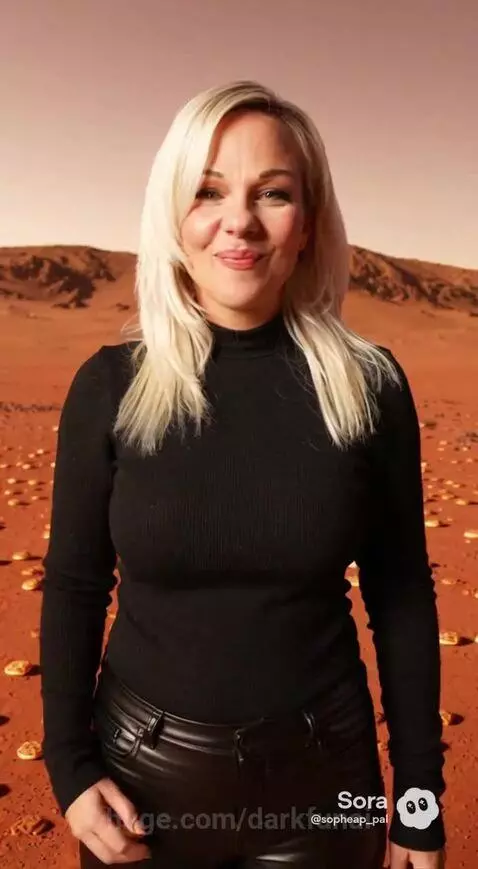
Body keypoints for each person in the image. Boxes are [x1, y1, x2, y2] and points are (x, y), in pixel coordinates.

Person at [39, 80, 447, 869]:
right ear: (174, 219)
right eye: (209, 191)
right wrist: (70, 766)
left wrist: (420, 801)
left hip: (327, 788)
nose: (240, 221)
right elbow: (74, 584)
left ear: (309, 222)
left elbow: (400, 593)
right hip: (138, 788)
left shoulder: (370, 385)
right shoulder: (111, 386)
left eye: (275, 193)